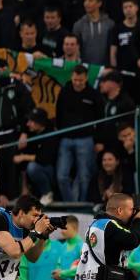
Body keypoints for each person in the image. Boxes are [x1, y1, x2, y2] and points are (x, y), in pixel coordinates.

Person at [0, 59, 34, 202]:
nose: (0, 70)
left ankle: (10, 199)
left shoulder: (18, 86)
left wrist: (24, 132)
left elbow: (27, 110)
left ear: (8, 68)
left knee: (10, 168)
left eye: (3, 67)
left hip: (11, 134)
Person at [55, 65, 104, 202]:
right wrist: (60, 134)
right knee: (62, 176)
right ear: (72, 77)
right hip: (66, 138)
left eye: (80, 80)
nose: (77, 83)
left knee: (84, 176)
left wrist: (99, 140)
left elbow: (101, 119)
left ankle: (81, 204)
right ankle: (70, 203)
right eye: (75, 80)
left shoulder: (94, 94)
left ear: (86, 78)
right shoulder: (64, 92)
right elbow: (58, 114)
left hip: (86, 139)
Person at [15, 108, 58, 206]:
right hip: (32, 178)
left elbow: (44, 158)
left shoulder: (51, 134)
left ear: (40, 123)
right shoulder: (30, 133)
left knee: (32, 167)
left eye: (31, 121)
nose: (28, 124)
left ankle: (47, 193)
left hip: (50, 172)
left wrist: (24, 157)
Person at [73, 0, 115, 66]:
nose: (87, 3)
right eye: (85, 0)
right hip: (84, 69)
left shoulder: (110, 24)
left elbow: (113, 49)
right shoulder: (78, 25)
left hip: (105, 70)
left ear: (99, 3)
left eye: (90, 0)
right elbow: (75, 49)